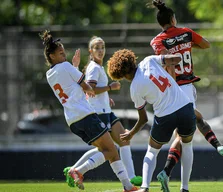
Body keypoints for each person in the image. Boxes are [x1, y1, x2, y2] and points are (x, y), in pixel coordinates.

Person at [149, 1, 223, 191]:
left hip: (168, 89)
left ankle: (165, 174)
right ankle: (181, 185)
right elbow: (206, 45)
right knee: (187, 138)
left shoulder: (156, 41)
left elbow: (167, 62)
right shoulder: (186, 33)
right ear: (173, 19)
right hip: (185, 87)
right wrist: (187, 45)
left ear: (160, 23)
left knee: (178, 135)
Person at [40, 30, 137, 192]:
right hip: (85, 115)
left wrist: (75, 66)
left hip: (73, 120)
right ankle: (78, 171)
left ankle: (127, 186)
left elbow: (70, 85)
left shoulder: (50, 74)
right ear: (52, 56)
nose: (64, 56)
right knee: (111, 149)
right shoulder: (66, 66)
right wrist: (107, 88)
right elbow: (87, 87)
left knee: (108, 150)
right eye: (61, 53)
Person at [107, 49, 196, 192]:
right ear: (132, 60)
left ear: (121, 74)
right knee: (187, 145)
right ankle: (184, 188)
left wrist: (131, 133)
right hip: (185, 107)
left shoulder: (134, 89)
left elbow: (143, 119)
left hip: (165, 115)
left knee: (152, 151)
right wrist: (169, 60)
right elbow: (176, 59)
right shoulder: (148, 60)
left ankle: (145, 187)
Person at [63, 36, 142, 187]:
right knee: (106, 148)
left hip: (105, 109)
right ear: (90, 51)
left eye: (102, 47)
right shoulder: (94, 67)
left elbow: (93, 90)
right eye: (97, 48)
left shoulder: (98, 67)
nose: (100, 51)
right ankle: (74, 170)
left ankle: (131, 177)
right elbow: (90, 89)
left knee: (123, 139)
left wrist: (106, 97)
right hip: (99, 112)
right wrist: (110, 88)